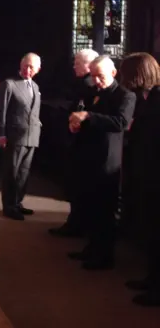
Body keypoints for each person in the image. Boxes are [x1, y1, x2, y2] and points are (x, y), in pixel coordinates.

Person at [67, 55, 135, 270]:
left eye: (101, 76)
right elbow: (87, 117)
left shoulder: (125, 95)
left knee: (105, 211)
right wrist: (77, 124)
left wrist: (88, 116)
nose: (96, 81)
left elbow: (120, 123)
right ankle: (91, 248)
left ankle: (104, 256)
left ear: (114, 73)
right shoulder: (94, 92)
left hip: (108, 161)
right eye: (94, 76)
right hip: (89, 158)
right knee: (90, 206)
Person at [118, 52, 160, 305]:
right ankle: (151, 279)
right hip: (146, 174)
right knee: (150, 232)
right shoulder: (148, 99)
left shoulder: (157, 101)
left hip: (155, 176)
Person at [50, 49, 99, 237]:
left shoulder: (88, 85)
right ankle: (76, 223)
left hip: (80, 144)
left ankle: (76, 225)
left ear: (88, 65)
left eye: (77, 63)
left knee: (78, 188)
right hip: (79, 142)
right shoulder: (85, 84)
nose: (73, 66)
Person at [0, 53, 42, 221]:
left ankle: (17, 202)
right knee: (12, 171)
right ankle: (9, 206)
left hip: (32, 136)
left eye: (31, 67)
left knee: (24, 172)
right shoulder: (9, 84)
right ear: (20, 65)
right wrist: (0, 133)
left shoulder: (35, 87)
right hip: (14, 135)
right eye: (25, 66)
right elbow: (0, 111)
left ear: (38, 69)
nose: (28, 70)